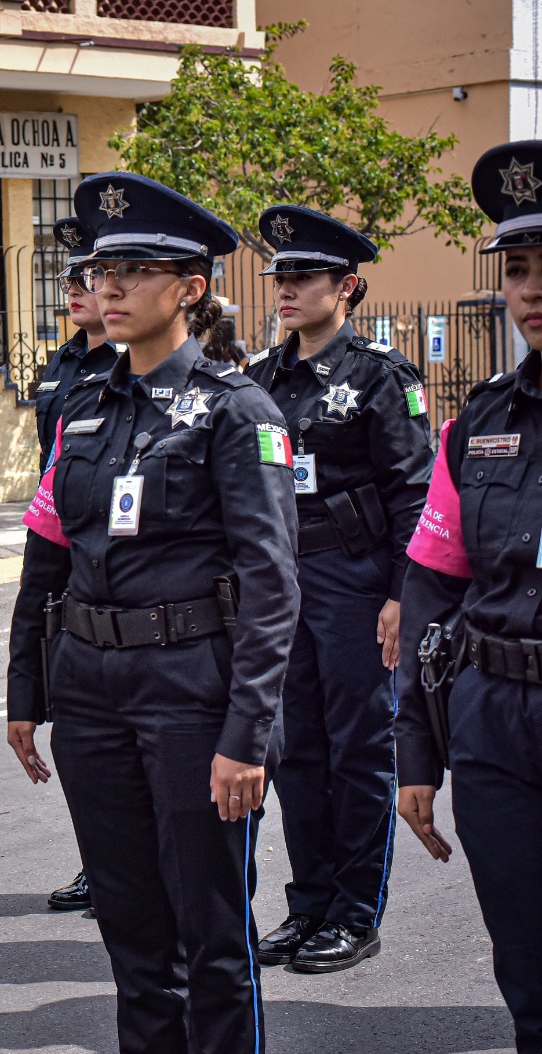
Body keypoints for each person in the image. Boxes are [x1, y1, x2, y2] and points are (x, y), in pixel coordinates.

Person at [6, 173, 299, 1054]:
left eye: (135, 269)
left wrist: (247, 735)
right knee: (133, 937)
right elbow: (46, 557)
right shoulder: (84, 408)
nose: (110, 288)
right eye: (102, 271)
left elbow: (271, 582)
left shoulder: (235, 410)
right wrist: (28, 690)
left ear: (192, 288)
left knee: (209, 934)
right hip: (93, 691)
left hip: (191, 691)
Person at [243, 206, 432, 973]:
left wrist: (400, 597)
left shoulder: (382, 378)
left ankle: (354, 913)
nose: (286, 289)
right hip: (286, 585)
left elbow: (415, 497)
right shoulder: (260, 380)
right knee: (298, 752)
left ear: (347, 287)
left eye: (304, 277)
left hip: (357, 586)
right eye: (280, 276)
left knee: (359, 751)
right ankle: (309, 903)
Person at [396, 139, 542, 1054]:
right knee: (527, 972)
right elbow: (430, 587)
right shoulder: (477, 424)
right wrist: (418, 750)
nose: (532, 288)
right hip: (496, 724)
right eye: (520, 268)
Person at [12, 215, 117, 912]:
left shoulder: (130, 367)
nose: (72, 289)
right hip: (69, 543)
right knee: (83, 727)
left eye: (86, 276)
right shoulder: (66, 363)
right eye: (68, 278)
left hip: (130, 555)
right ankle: (99, 860)